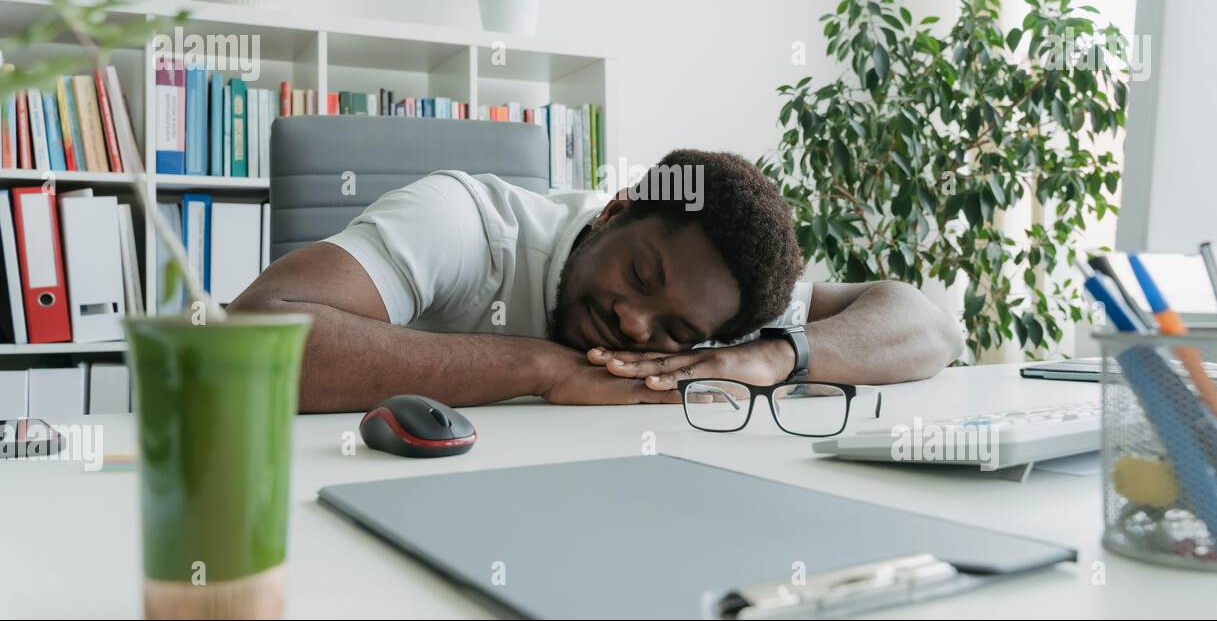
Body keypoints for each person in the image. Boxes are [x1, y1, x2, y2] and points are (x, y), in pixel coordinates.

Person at [231, 149, 964, 411]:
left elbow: (928, 324)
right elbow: (251, 340)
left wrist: (775, 356)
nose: (639, 327)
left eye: (679, 331)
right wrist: (540, 367)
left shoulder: (727, 304)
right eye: (641, 274)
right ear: (617, 209)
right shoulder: (466, 221)